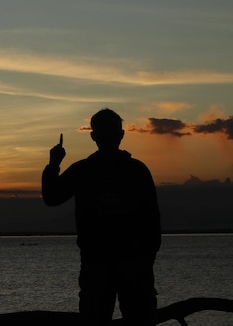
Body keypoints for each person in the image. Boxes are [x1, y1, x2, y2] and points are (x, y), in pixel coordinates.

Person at [42, 108, 161, 326]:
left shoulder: (85, 170)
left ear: (93, 136)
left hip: (112, 265)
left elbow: (52, 196)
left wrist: (54, 164)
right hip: (121, 265)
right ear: (121, 134)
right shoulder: (136, 170)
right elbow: (153, 223)